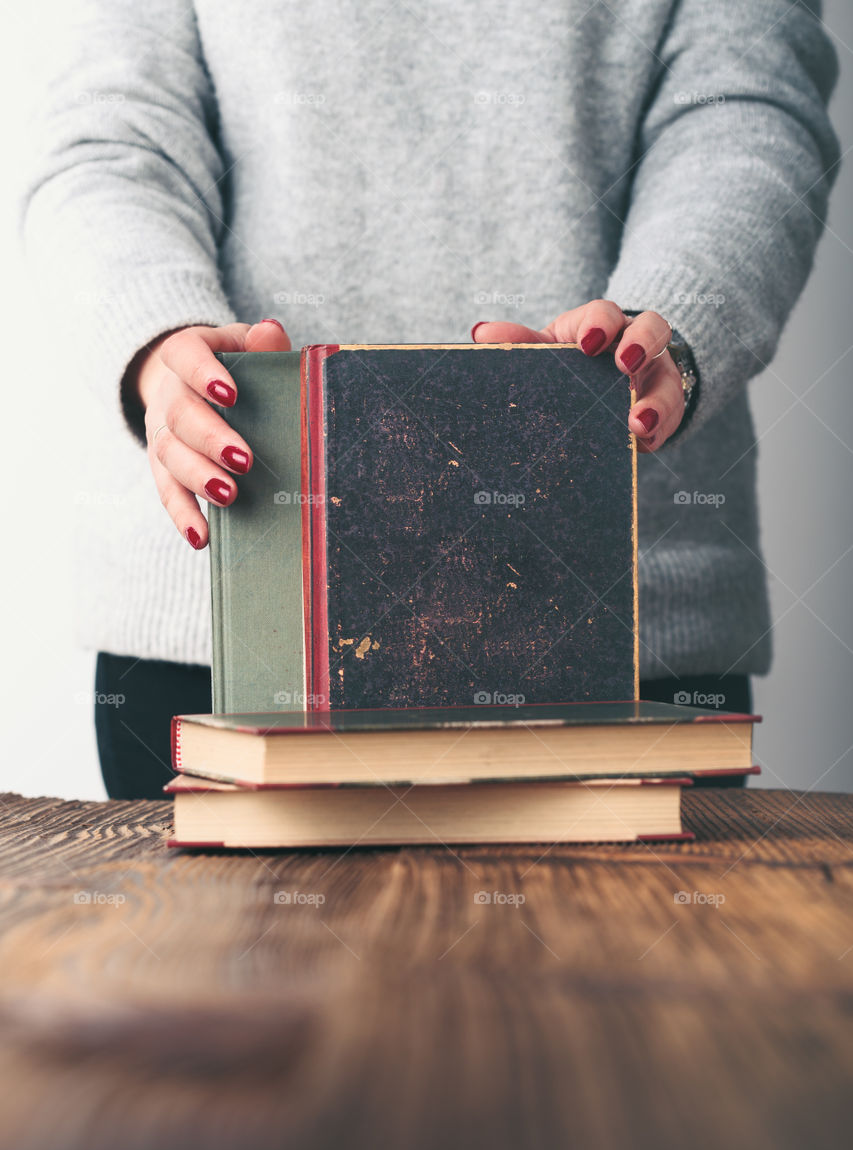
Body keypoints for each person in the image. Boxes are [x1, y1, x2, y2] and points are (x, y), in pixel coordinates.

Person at [20, 1, 840, 799]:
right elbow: (111, 142)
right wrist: (162, 343)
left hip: (622, 633)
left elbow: (743, 114)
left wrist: (671, 323)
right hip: (228, 618)